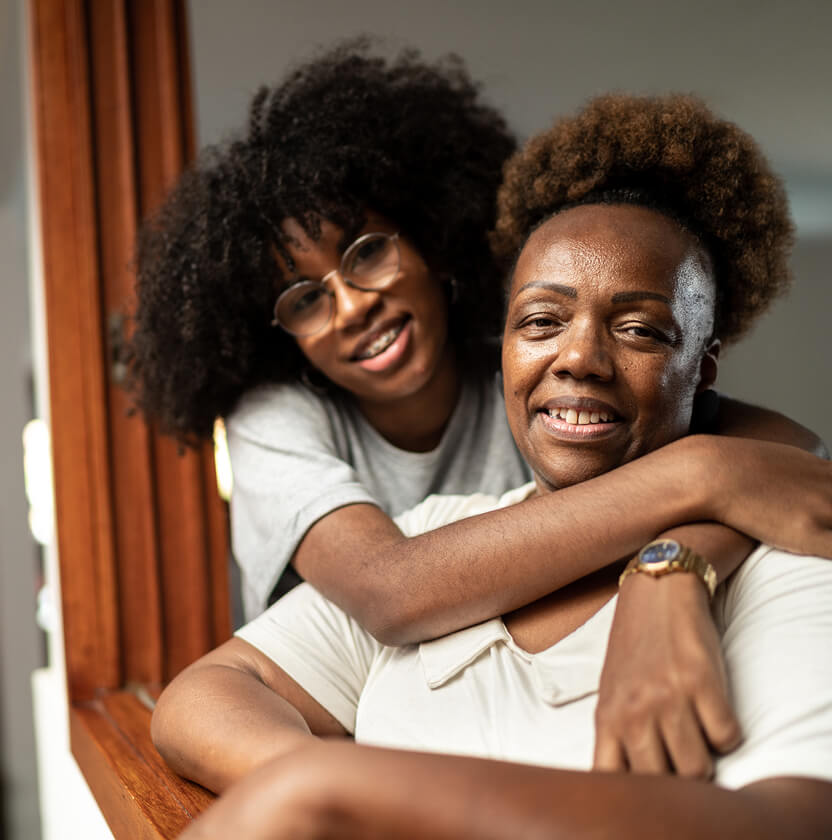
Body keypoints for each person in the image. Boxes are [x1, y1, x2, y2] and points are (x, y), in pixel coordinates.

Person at [129, 41, 827, 775]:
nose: (351, 307)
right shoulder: (279, 422)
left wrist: (674, 568)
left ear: (432, 240)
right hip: (330, 707)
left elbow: (779, 461)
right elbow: (389, 589)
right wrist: (703, 485)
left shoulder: (536, 364)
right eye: (304, 299)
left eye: (367, 254)